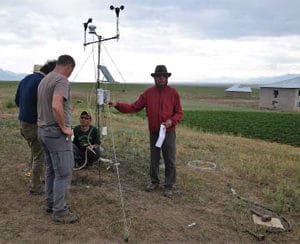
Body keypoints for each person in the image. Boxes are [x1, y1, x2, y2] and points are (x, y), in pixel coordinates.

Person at [109, 65, 183, 197]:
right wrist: (117, 105)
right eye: (158, 76)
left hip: (168, 132)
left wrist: (171, 121)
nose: (161, 78)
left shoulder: (173, 93)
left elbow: (179, 113)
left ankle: (169, 186)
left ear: (167, 78)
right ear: (154, 78)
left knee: (169, 159)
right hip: (154, 132)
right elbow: (134, 107)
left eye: (163, 76)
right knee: (154, 158)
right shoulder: (148, 93)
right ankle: (154, 181)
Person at [37, 54, 80, 224]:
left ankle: (51, 203)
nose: (69, 74)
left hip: (42, 131)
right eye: (71, 71)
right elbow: (56, 105)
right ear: (68, 67)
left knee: (51, 170)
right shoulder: (62, 80)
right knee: (63, 172)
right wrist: (64, 127)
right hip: (56, 134)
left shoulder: (44, 79)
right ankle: (60, 211)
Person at [15, 60, 57, 195]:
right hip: (34, 125)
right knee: (40, 155)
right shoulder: (43, 83)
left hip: (23, 123)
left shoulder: (25, 79)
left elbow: (17, 101)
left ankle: (37, 177)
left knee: (35, 151)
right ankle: (36, 186)